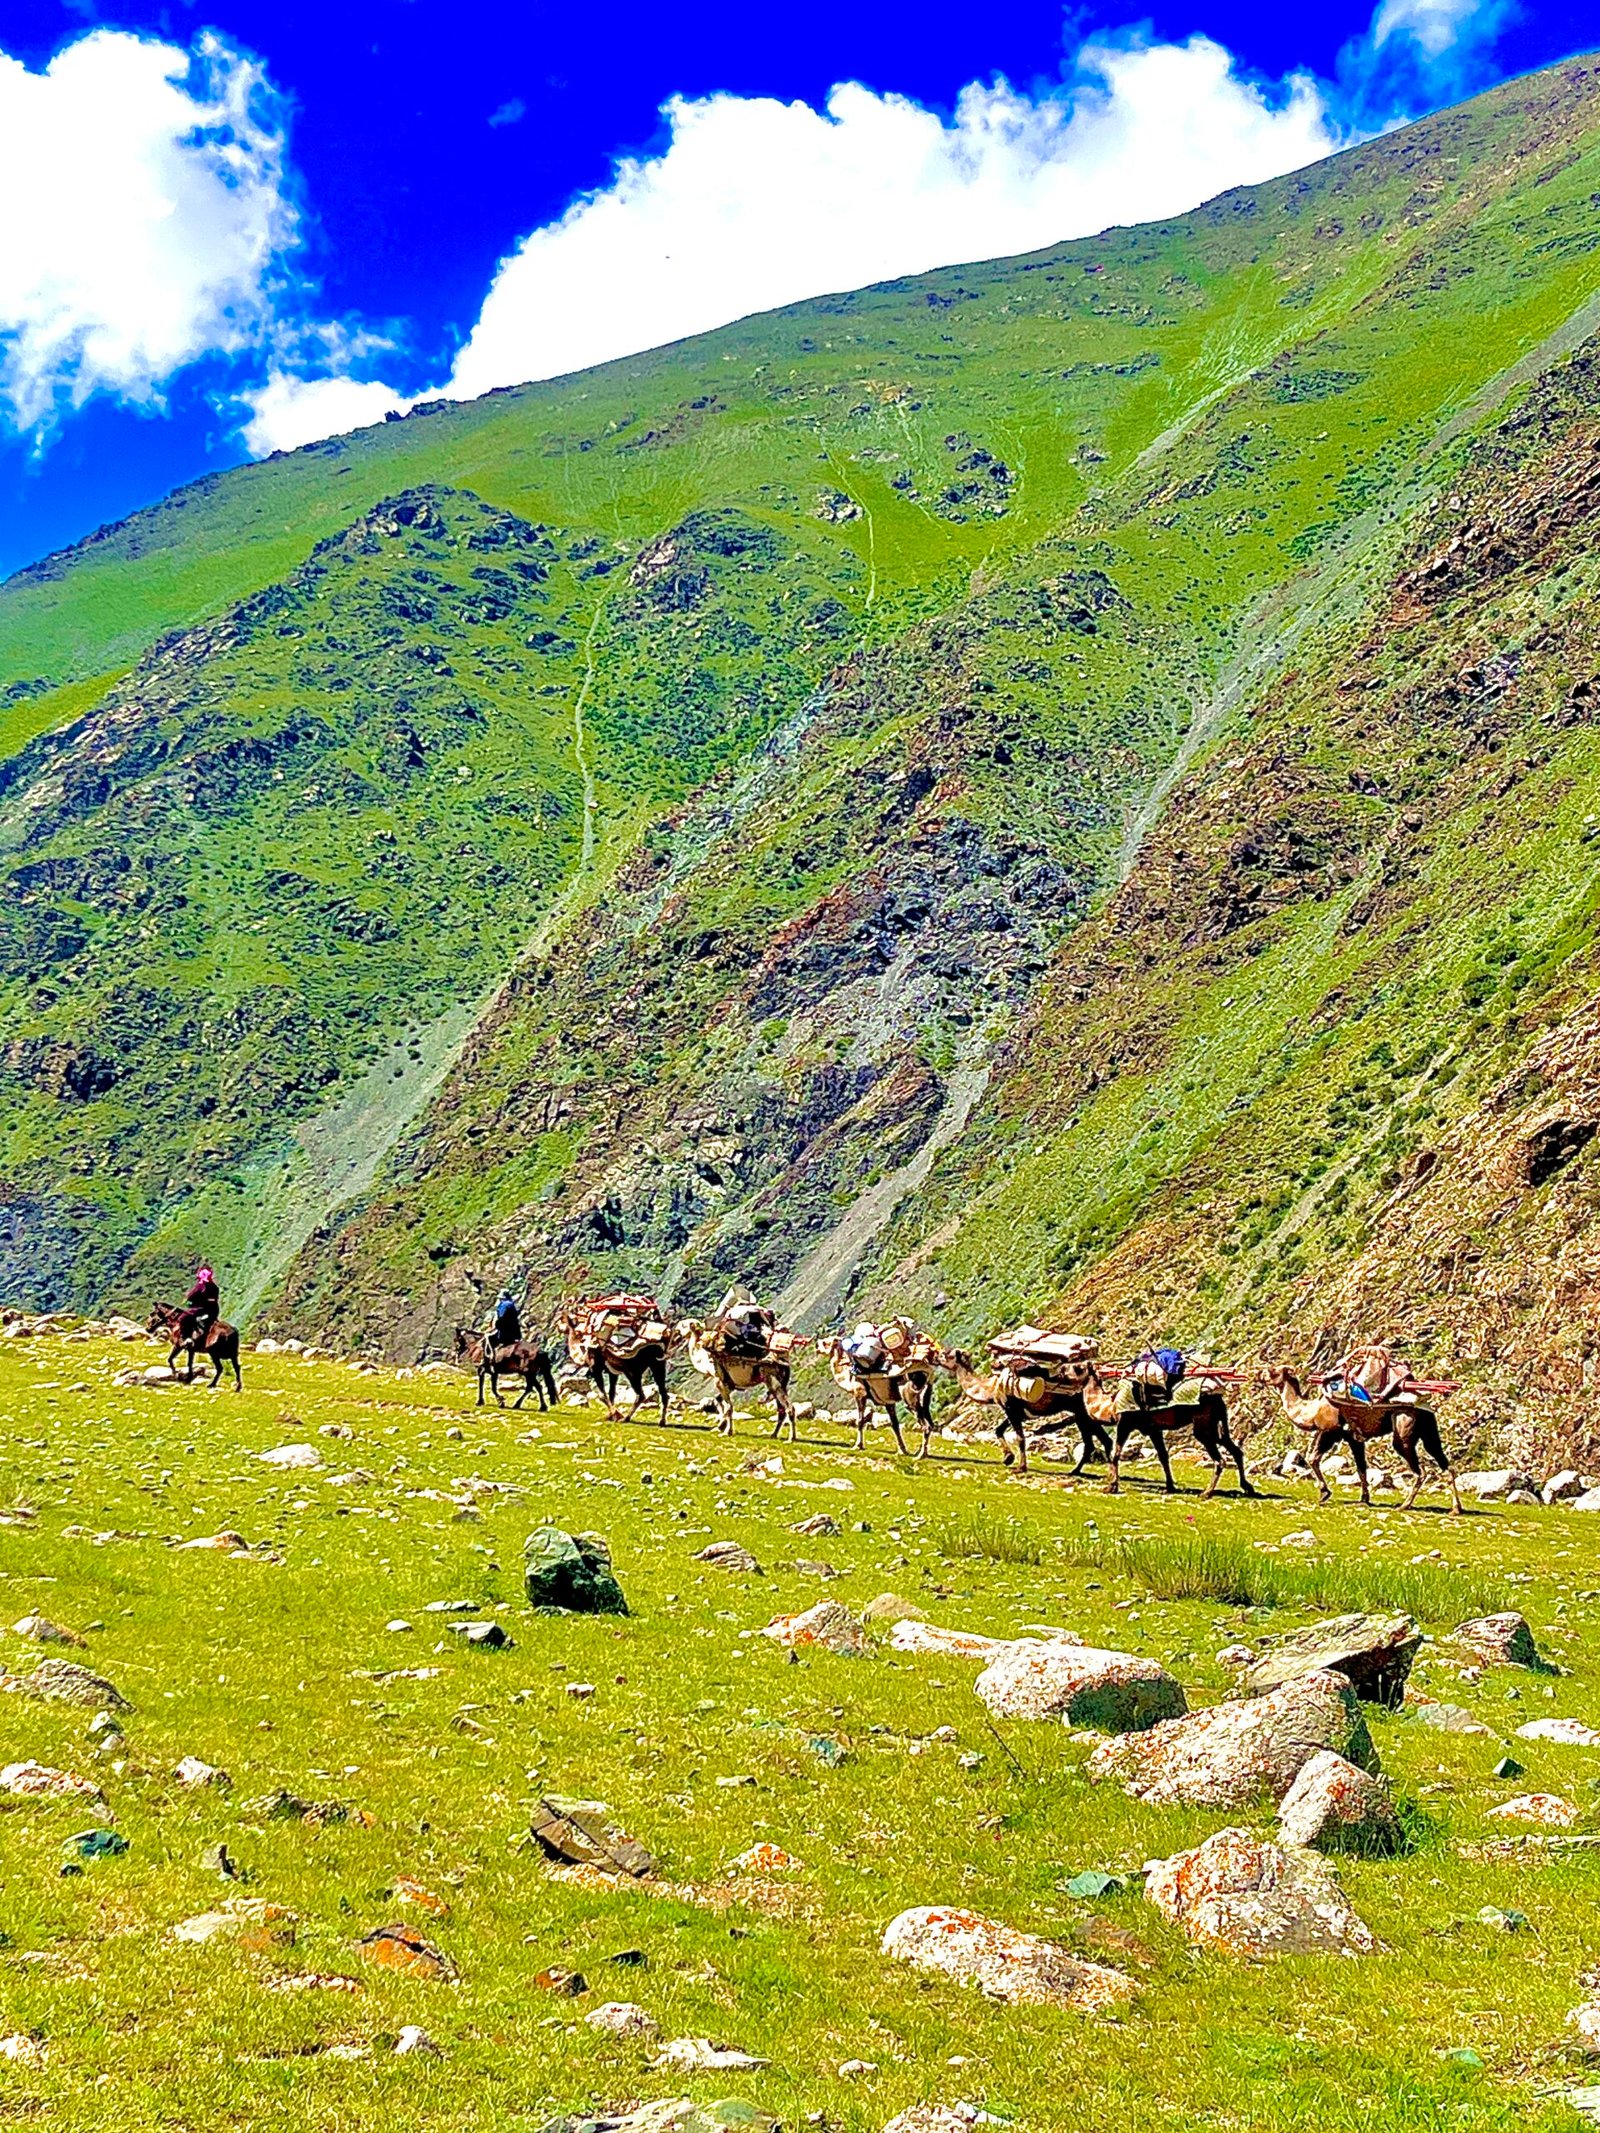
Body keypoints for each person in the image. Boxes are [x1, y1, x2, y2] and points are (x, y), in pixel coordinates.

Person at [179, 1264, 219, 1346]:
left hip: (202, 1309)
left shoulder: (203, 1286)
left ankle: (186, 1337)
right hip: (212, 1310)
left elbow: (192, 1297)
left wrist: (188, 1301)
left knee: (183, 1317)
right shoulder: (212, 1286)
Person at [486, 1287, 522, 1355]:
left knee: (489, 1339)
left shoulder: (503, 1305)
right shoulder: (511, 1304)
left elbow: (501, 1318)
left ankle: (491, 1357)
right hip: (516, 1333)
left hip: (505, 1333)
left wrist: (496, 1326)